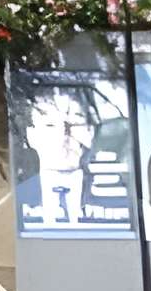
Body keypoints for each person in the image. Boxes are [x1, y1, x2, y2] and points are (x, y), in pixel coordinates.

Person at [18, 86, 98, 228]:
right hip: (49, 172)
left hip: (74, 172)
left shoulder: (82, 130)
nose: (63, 131)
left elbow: (88, 139)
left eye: (72, 122)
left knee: (74, 222)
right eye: (51, 124)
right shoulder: (36, 125)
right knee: (49, 220)